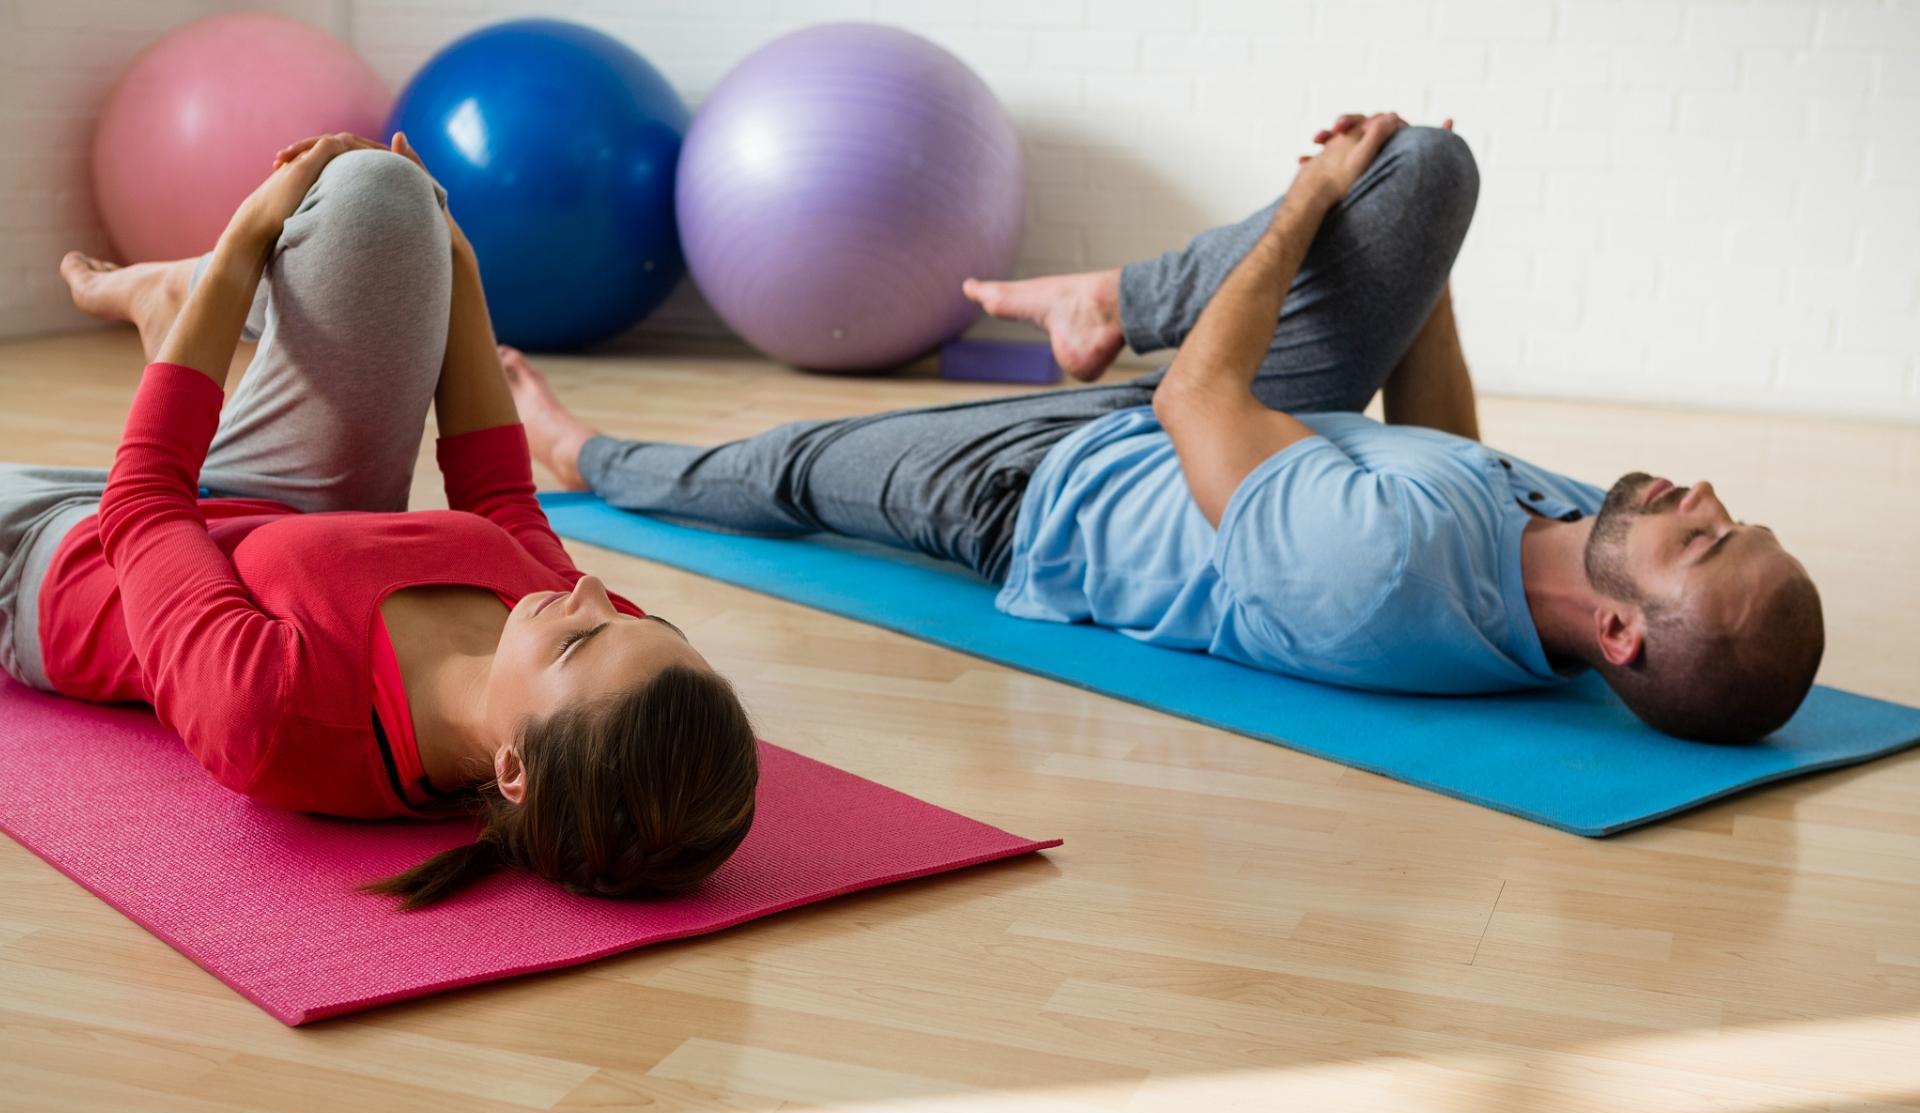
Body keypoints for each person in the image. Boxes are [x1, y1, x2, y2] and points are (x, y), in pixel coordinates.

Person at [510, 113, 1823, 745]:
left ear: (1621, 634)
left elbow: (1198, 398)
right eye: (1733, 519)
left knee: (793, 468)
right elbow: (1447, 450)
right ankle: (1107, 300)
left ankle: (584, 454)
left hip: (1055, 484)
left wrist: (1309, 200)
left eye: (1705, 544)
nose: (1705, 500)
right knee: (1428, 170)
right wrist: (1412, 279)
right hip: (1282, 435)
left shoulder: (1378, 571)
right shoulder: (1579, 548)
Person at [4, 132, 759, 909]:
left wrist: (246, 236)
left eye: (581, 640)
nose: (592, 592)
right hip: (282, 502)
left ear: (514, 768)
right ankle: (174, 305)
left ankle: (183, 309)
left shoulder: (274, 712)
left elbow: (145, 503)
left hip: (59, 555)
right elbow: (501, 493)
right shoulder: (578, 639)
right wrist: (454, 258)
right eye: (642, 619)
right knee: (385, 195)